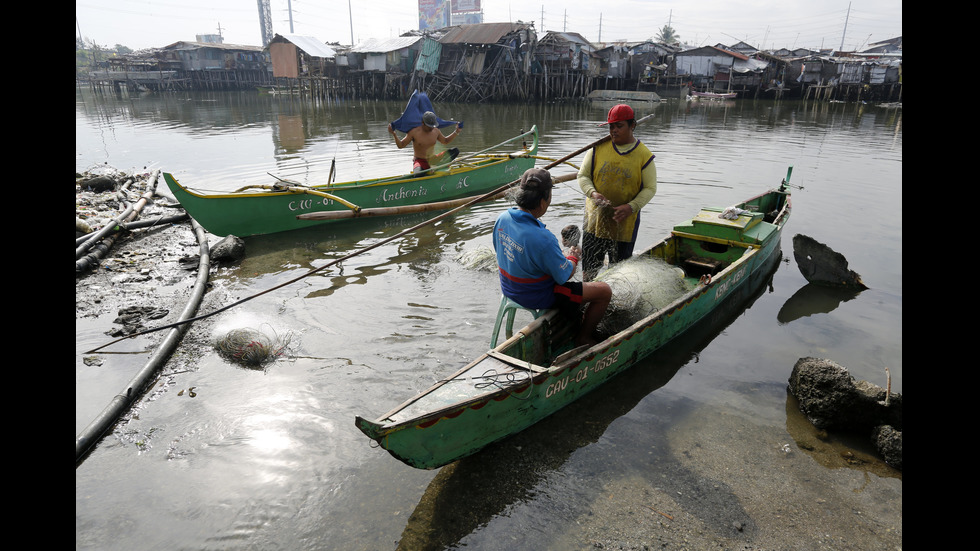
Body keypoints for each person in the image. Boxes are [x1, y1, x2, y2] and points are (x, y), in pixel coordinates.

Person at [493, 167, 612, 347]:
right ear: (543, 202)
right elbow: (564, 276)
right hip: (536, 295)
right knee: (604, 291)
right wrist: (572, 258)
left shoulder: (502, 218)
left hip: (508, 288)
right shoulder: (543, 237)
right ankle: (584, 337)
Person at [577, 103, 657, 281]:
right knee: (589, 269)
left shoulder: (644, 155)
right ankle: (588, 298)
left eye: (619, 126)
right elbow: (582, 176)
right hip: (594, 220)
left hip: (625, 223)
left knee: (619, 273)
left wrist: (631, 207)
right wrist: (593, 194)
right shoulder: (597, 148)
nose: (613, 131)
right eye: (611, 126)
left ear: (632, 125)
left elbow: (650, 188)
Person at [388, 111, 461, 174]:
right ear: (423, 123)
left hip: (433, 160)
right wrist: (394, 134)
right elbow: (401, 145)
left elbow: (445, 141)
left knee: (455, 151)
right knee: (417, 174)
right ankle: (433, 168)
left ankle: (437, 166)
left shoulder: (436, 131)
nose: (431, 128)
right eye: (429, 126)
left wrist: (456, 132)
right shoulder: (414, 132)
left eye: (433, 126)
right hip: (420, 161)